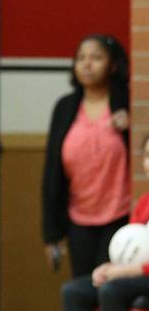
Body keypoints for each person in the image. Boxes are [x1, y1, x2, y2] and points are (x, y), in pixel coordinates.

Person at [44, 134, 149, 311]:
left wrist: (126, 271)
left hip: (143, 278)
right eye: (148, 156)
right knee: (76, 291)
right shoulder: (144, 204)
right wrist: (109, 267)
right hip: (135, 276)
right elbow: (131, 247)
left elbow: (137, 264)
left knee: (112, 292)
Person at [42, 33, 130, 278]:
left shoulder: (127, 104)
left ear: (112, 65)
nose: (87, 64)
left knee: (110, 289)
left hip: (121, 216)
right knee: (82, 288)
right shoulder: (66, 107)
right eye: (81, 58)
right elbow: (51, 171)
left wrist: (131, 126)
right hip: (78, 218)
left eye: (96, 58)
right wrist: (52, 234)